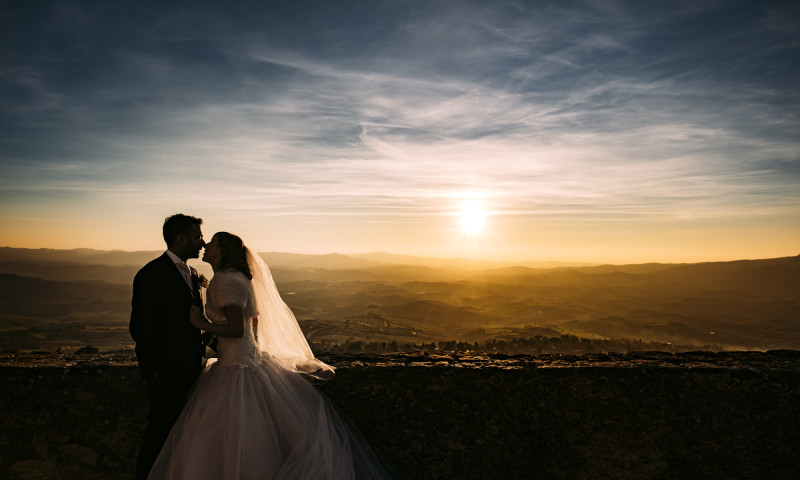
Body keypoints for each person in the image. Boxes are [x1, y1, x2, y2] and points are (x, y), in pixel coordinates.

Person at [146, 232, 395, 479]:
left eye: (211, 242)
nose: (206, 245)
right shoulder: (237, 277)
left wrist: (201, 323)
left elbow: (236, 329)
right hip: (244, 359)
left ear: (220, 251)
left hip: (235, 367)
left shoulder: (227, 280)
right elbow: (250, 322)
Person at [129, 214, 207, 480]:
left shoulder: (193, 273)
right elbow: (141, 328)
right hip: (168, 375)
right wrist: (156, 372)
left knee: (184, 438)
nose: (203, 242)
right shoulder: (151, 274)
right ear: (180, 238)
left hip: (193, 371)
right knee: (159, 436)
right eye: (198, 236)